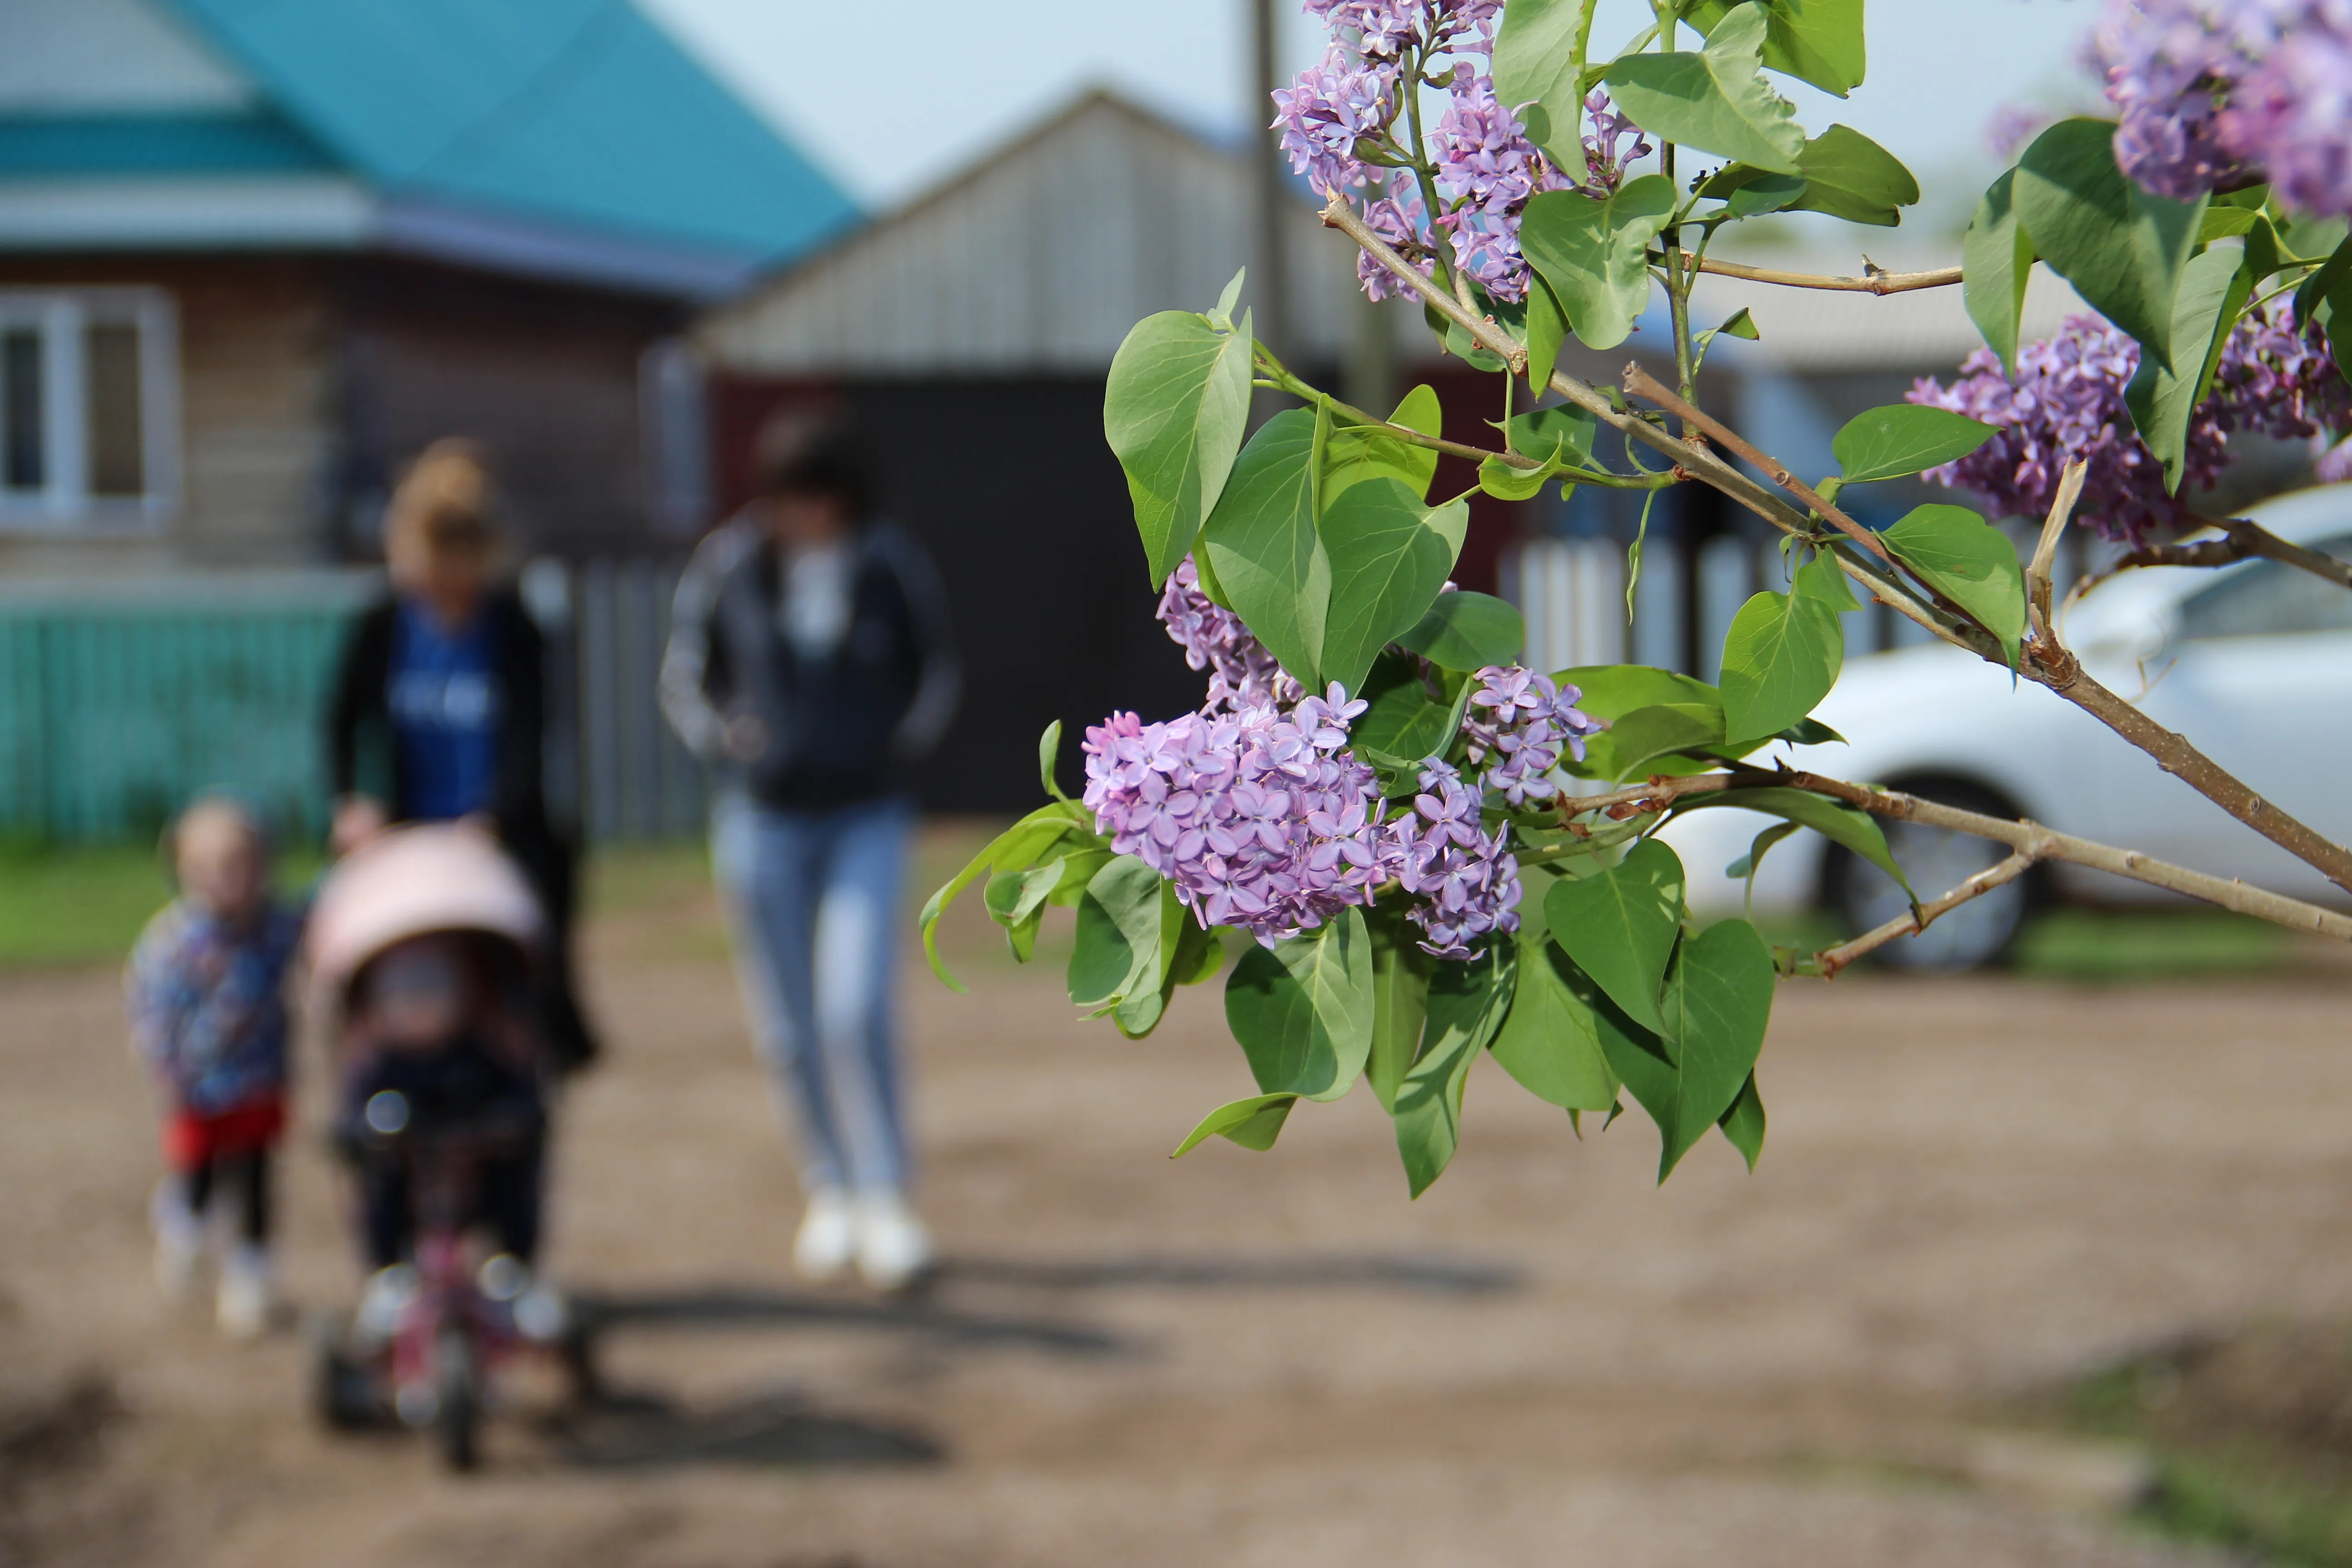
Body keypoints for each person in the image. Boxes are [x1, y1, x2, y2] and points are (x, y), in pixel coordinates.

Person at [661, 408, 958, 1290]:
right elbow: (687, 676)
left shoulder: (889, 565)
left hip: (865, 815)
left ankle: (887, 1195)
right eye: (793, 499)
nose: (808, 518)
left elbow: (933, 671)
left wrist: (878, 747)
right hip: (762, 822)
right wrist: (733, 743)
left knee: (854, 1005)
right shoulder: (731, 564)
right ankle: (827, 1191)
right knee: (788, 1025)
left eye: (822, 499)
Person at [324, 440, 597, 1073]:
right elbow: (341, 721)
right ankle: (359, 1052)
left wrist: (495, 816)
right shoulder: (384, 623)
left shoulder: (511, 625)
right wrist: (351, 802)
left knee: (534, 926)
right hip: (405, 826)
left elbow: (534, 731)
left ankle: (541, 1042)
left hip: (493, 827)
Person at [126, 794, 305, 1338]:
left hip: (260, 1082)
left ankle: (250, 1280)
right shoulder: (173, 942)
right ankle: (184, 1224)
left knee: (255, 1179)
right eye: (211, 867)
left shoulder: (275, 930)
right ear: (183, 871)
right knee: (201, 1179)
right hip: (198, 1088)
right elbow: (151, 1010)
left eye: (243, 865)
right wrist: (165, 1070)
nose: (229, 880)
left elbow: (326, 910)